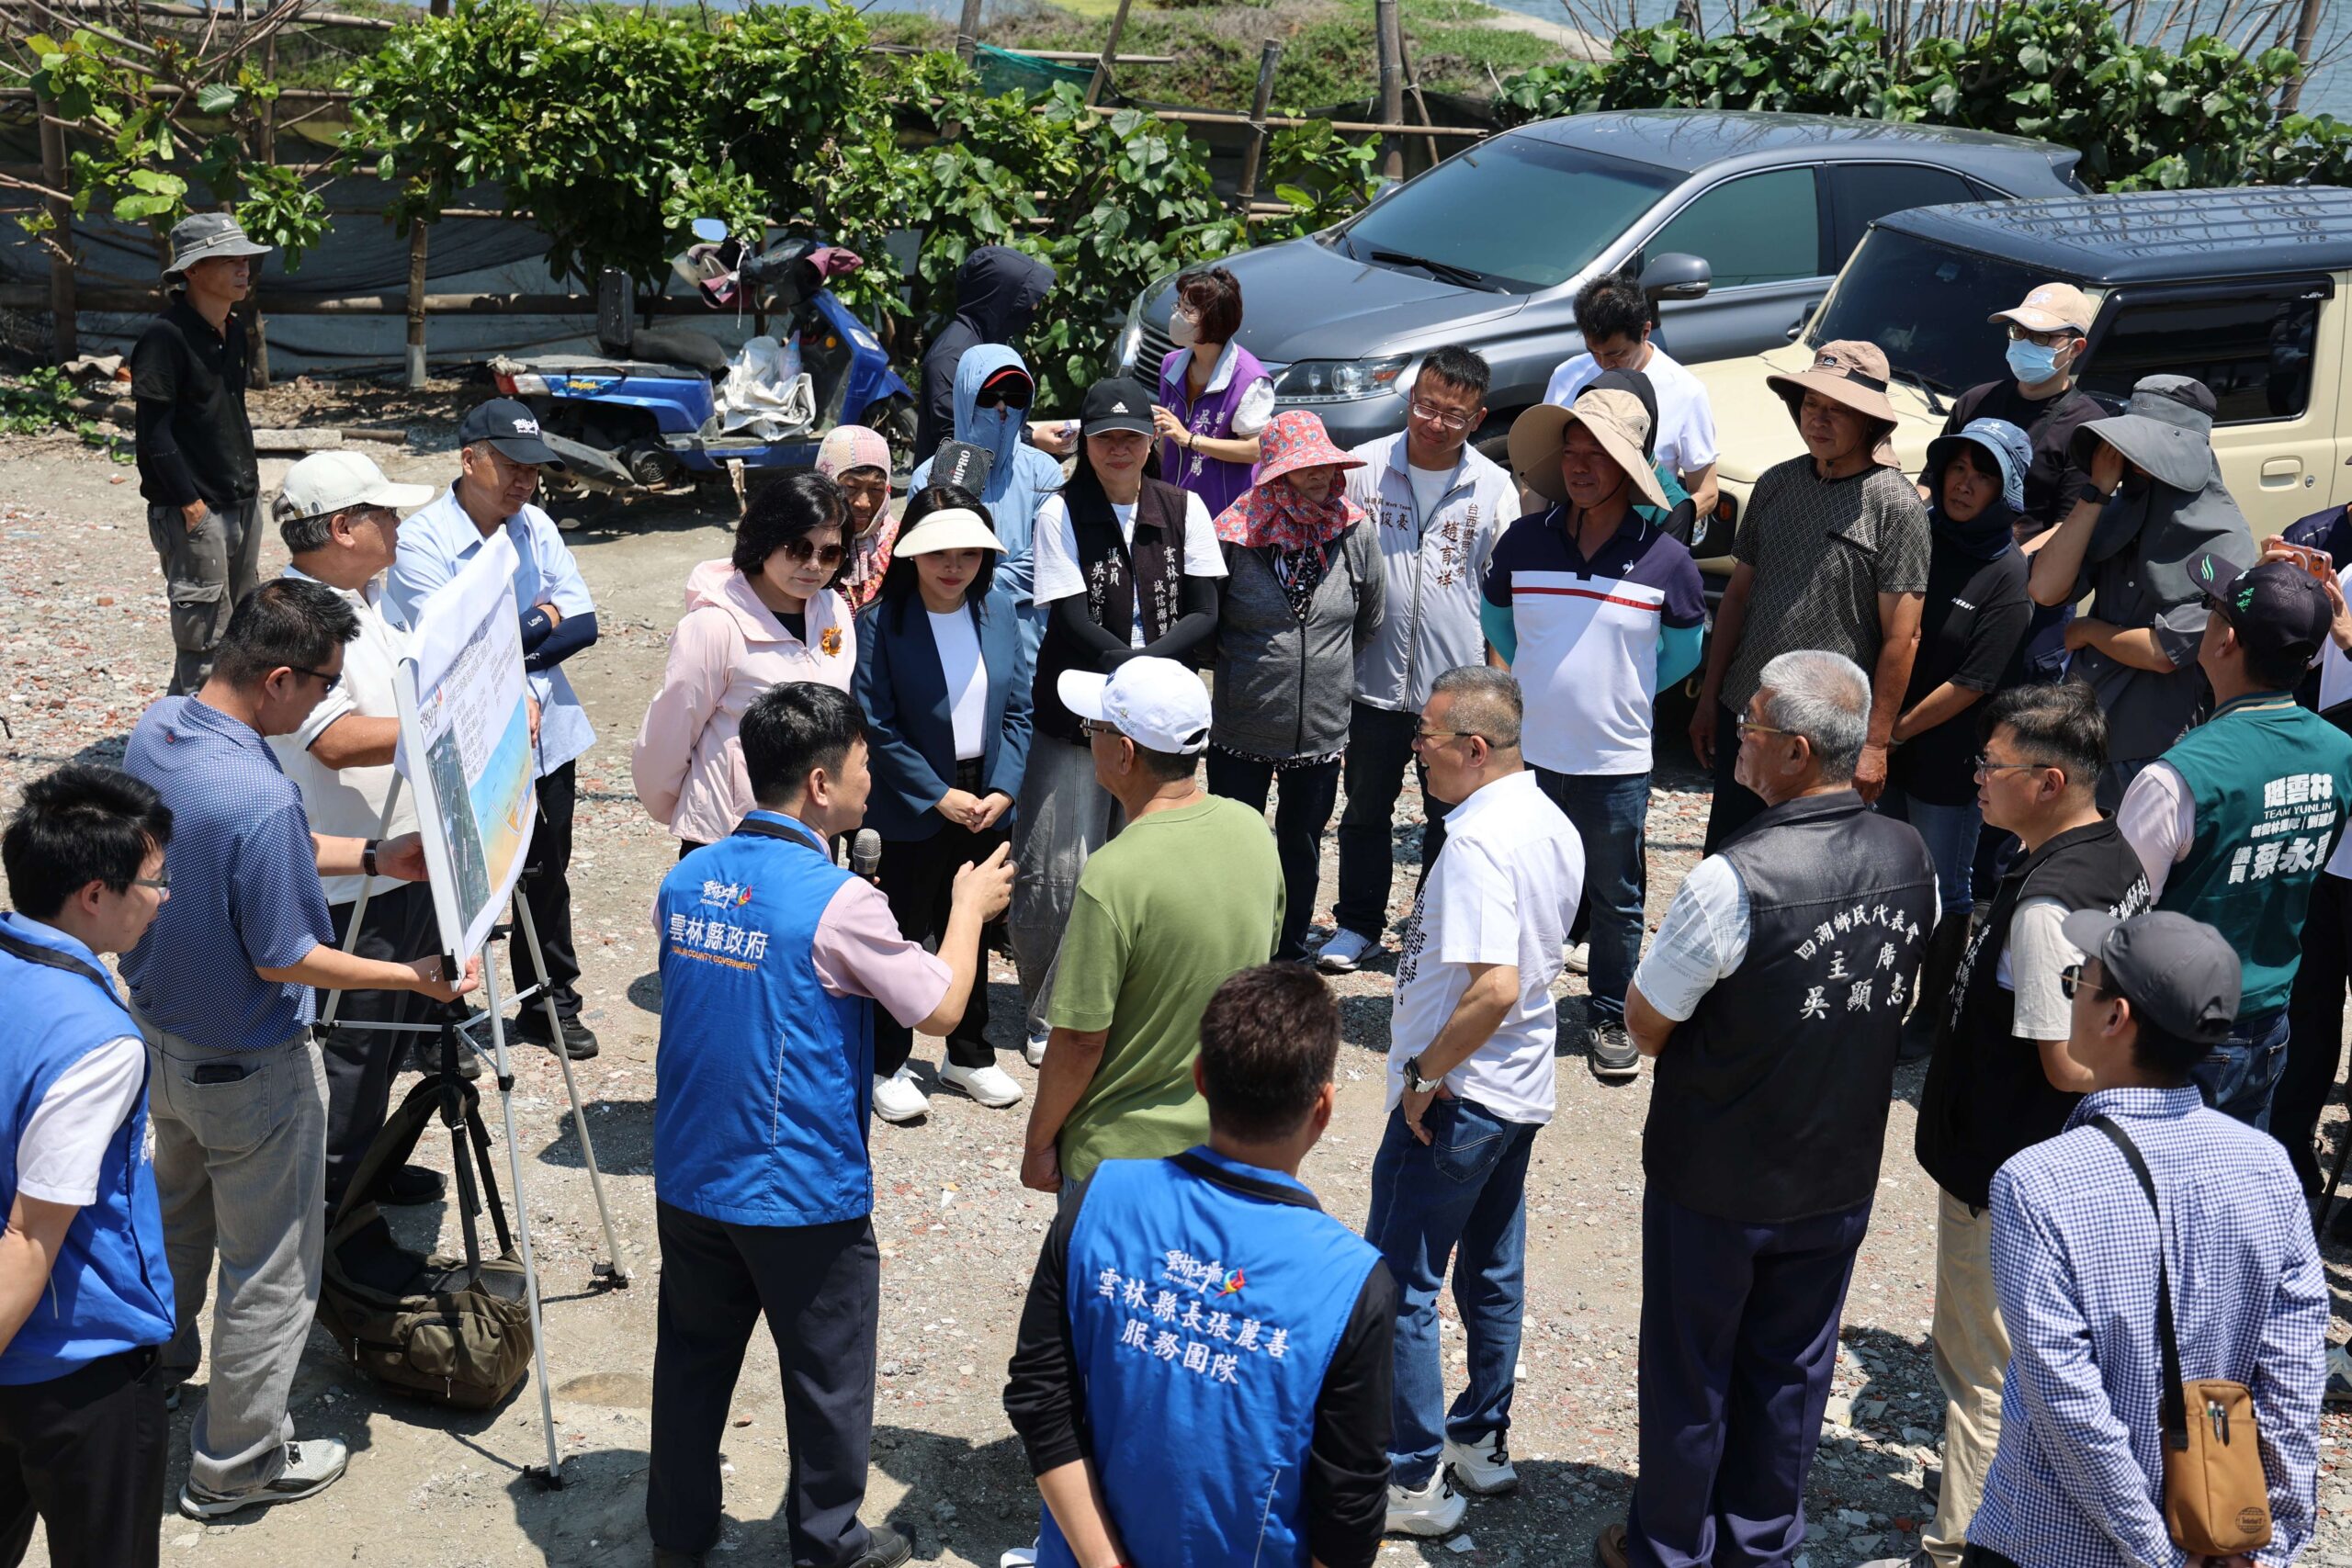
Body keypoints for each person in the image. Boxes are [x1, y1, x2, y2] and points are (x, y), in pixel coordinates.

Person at [118, 580, 477, 1521]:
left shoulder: (159, 730)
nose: (322, 703)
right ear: (277, 677)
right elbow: (286, 958)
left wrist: (367, 857)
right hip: (251, 1068)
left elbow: (231, 854)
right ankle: (231, 1470)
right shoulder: (259, 795)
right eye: (319, 686)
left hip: (159, 1041)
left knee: (175, 1226)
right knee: (270, 1271)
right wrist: (415, 980)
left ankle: (149, 1377)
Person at [647, 682, 1013, 1568]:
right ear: (819, 784)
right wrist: (964, 913)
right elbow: (942, 1005)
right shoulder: (838, 901)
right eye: (861, 766)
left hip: (693, 1173)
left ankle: (680, 1537)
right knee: (828, 1378)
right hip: (798, 1189)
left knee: (693, 1365)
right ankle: (828, 1542)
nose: (869, 780)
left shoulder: (686, 877)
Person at [1597, 650, 1935, 1568]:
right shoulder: (1911, 857)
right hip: (1836, 1172)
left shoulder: (1731, 880)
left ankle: (1667, 1546)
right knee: (1791, 1373)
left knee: (1690, 1374)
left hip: (1715, 1179)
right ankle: (1759, 1546)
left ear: (1792, 752)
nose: (1734, 737)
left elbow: (1646, 1024)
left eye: (1748, 726)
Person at [1001, 964, 1395, 1568]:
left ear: (1200, 1077)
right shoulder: (1349, 1281)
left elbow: (1039, 1395)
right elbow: (1349, 1510)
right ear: (1323, 1106)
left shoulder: (1100, 1199)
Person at [1965, 910, 2325, 1568]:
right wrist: (2263, 1544)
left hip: (2054, 1541)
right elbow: (2294, 1380)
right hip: (2218, 1535)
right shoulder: (2269, 1165)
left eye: (2080, 979)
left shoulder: (2036, 1183)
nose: (2071, 990)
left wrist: (2155, 1553)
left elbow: (2068, 1405)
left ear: (2115, 1017)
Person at [1899, 681, 2152, 1568]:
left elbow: (2064, 1062)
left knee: (1980, 1372)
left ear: (2048, 781)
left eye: (1992, 765)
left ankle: (1961, 1543)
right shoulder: (2116, 852)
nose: (1977, 778)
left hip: (2005, 1169)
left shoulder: (2045, 908)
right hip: (2067, 1165)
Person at [1364, 667, 1582, 1539]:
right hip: (1517, 1088)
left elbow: (1495, 985)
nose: (1416, 751)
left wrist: (1422, 1076)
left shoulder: (1480, 842)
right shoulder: (1549, 817)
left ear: (1474, 748)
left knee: (1401, 1283)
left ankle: (1410, 1476)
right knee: (1492, 1270)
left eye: (1426, 737)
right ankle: (1480, 1438)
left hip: (1459, 1095)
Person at [1487, 388, 1702, 1081]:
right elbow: (1499, 623)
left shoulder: (1668, 559)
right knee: (1524, 886)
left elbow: (1683, 652)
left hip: (1617, 760)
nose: (1579, 465)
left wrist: (1622, 694)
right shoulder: (1522, 541)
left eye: (1598, 452)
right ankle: (1510, 1002)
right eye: (1570, 451)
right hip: (1531, 757)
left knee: (1616, 896)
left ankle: (1609, 1013)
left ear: (1629, 463)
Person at [0, 765, 178, 1567]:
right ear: (94, 896)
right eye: (154, 879)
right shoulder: (96, 1043)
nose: (164, 895)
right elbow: (32, 1238)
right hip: (80, 1367)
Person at [1015, 378, 1226, 1058]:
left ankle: (1124, 1002)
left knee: (1142, 859)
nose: (1118, 449)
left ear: (1151, 442)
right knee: (1060, 861)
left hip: (1157, 712)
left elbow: (1205, 611)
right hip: (1079, 706)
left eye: (1131, 437)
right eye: (1104, 437)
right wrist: (1136, 665)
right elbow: (1071, 616)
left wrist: (1145, 666)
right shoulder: (1060, 512)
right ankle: (1049, 1012)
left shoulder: (1184, 508)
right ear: (1086, 442)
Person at [1017, 658, 1281, 1198]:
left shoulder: (1114, 873)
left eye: (1095, 728)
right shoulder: (1252, 828)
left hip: (1123, 1161)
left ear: (1124, 752)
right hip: (1223, 1143)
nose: (1089, 737)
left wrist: (1038, 1141)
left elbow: (1080, 1039)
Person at [390, 397, 603, 1058]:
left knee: (546, 870)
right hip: (466, 737)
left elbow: (584, 622)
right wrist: (537, 624)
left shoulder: (534, 526)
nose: (522, 482)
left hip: (545, 732)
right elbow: (450, 657)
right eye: (509, 466)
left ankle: (549, 1002)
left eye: (532, 470)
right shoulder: (421, 540)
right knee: (458, 877)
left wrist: (524, 667)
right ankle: (441, 1014)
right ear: (469, 458)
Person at [266, 451, 447, 1213]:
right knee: (351, 1048)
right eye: (385, 513)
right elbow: (331, 739)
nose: (400, 525)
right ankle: (336, 1217)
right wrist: (441, 719)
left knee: (389, 1038)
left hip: (396, 857)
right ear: (343, 527)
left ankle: (366, 1169)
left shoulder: (359, 595)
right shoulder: (292, 617)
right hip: (346, 878)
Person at [2113, 556, 2352, 1130]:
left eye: (2214, 612)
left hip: (2176, 1035)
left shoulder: (2176, 777)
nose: (2207, 622)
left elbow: (2117, 919)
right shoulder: (2339, 752)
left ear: (2227, 643)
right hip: (2270, 1025)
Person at [1324, 348, 1518, 975]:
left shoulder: (1491, 486)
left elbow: (1501, 593)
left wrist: (1495, 686)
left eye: (1454, 415)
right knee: (1364, 808)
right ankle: (1356, 925)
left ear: (1478, 416)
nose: (1435, 422)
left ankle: (1433, 931)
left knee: (1451, 816)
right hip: (1371, 680)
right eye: (1426, 405)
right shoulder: (1366, 470)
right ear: (1411, 396)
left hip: (1453, 689)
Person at [1691, 342, 1929, 850]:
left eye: (1837, 409)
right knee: (1730, 857)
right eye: (1810, 405)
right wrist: (1710, 697)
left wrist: (1875, 745)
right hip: (1752, 715)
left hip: (1826, 736)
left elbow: (1902, 640)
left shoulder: (1895, 505)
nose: (1818, 420)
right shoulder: (1776, 483)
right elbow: (1736, 597)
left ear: (1869, 420)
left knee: (1806, 871)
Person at [854, 488, 1033, 1122]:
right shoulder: (881, 621)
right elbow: (876, 723)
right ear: (912, 554)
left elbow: (1019, 710)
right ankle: (886, 1059)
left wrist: (1003, 788)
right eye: (938, 553)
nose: (954, 566)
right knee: (900, 929)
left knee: (976, 926)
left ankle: (969, 1051)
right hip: (912, 800)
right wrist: (938, 795)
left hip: (986, 795)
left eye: (968, 554)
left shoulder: (1001, 611)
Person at [2026, 375, 2257, 807]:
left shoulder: (2224, 536)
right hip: (2080, 727)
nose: (2132, 460)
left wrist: (2088, 631)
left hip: (2151, 747)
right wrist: (2095, 493)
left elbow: (2165, 653)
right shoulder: (2117, 509)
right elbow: (2044, 587)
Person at [1882, 418, 2035, 1057]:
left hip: (1946, 757)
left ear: (2008, 489)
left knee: (1946, 887)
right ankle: (1882, 993)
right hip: (1885, 739)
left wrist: (1890, 732)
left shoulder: (2007, 574)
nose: (1963, 484)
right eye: (1956, 469)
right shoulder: (1918, 535)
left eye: (1982, 474)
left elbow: (1974, 682)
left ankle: (1932, 1011)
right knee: (1889, 873)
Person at [1206, 411, 1383, 963]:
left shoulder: (1353, 529)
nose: (1321, 477)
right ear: (1276, 474)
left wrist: (1324, 668)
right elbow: (1207, 625)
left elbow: (1369, 618)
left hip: (1322, 725)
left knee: (1302, 845)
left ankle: (1287, 948)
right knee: (1235, 841)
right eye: (1305, 468)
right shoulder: (1234, 533)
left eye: (1327, 467)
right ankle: (1235, 945)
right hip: (1244, 718)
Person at [634, 472, 857, 855]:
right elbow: (666, 738)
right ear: (766, 539)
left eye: (830, 553)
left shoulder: (834, 610)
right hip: (731, 835)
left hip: (813, 832)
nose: (814, 565)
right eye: (799, 548)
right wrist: (694, 809)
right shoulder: (714, 626)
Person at [1939, 282, 2107, 683]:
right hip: (1950, 574)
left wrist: (1999, 568)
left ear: (2075, 348)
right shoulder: (1974, 401)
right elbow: (1931, 485)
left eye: (2043, 337)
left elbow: (2069, 526)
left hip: (2024, 596)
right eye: (2018, 332)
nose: (2025, 343)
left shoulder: (2089, 426)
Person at [132, 213, 270, 695]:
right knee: (204, 646)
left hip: (242, 500)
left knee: (242, 636)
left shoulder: (233, 330)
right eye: (229, 260)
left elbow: (227, 416)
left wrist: (251, 492)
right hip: (196, 509)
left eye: (246, 259)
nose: (243, 269)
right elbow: (153, 433)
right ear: (191, 270)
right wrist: (191, 507)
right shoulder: (163, 337)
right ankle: (190, 759)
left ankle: (178, 743)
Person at [909, 345, 1067, 664]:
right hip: (947, 636)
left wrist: (967, 583)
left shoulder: (1043, 470)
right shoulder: (929, 476)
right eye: (988, 396)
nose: (1002, 407)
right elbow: (919, 559)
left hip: (1027, 642)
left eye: (1016, 396)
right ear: (965, 397)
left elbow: (1047, 560)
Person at [1543, 269, 1719, 518]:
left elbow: (1707, 492)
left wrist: (1666, 531)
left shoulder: (1686, 391)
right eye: (1593, 352)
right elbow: (1536, 474)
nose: (1603, 363)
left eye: (1616, 354)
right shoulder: (1566, 376)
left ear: (1645, 331)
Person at [1148, 265, 1273, 519]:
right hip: (1173, 506)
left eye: (1187, 311)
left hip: (1224, 515)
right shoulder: (1171, 365)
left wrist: (1191, 440)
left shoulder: (1249, 379)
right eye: (1178, 307)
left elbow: (1256, 450)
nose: (1177, 317)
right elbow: (1166, 442)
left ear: (1213, 320)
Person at [915, 244, 1057, 464]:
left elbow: (998, 419)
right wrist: (1032, 440)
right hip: (954, 493)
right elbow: (955, 441)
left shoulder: (987, 344)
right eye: (1025, 298)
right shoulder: (952, 356)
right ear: (999, 297)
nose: (1035, 307)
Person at [814, 425, 898, 612]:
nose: (863, 503)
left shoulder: (899, 544)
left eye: (876, 490)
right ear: (827, 481)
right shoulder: (802, 540)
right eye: (851, 487)